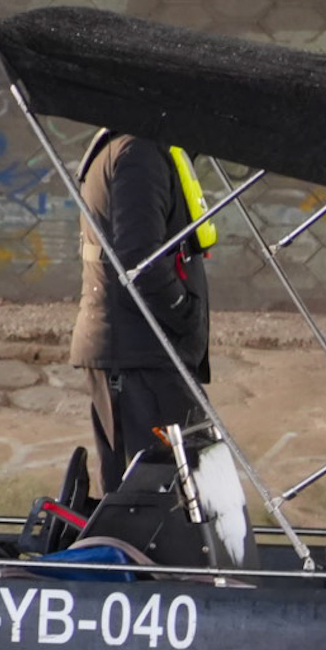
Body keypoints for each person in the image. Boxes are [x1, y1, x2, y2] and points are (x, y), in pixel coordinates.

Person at [71, 130, 213, 496]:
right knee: (156, 497)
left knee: (167, 493)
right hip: (140, 353)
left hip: (145, 351)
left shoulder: (140, 146)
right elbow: (139, 259)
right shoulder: (139, 152)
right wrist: (184, 312)